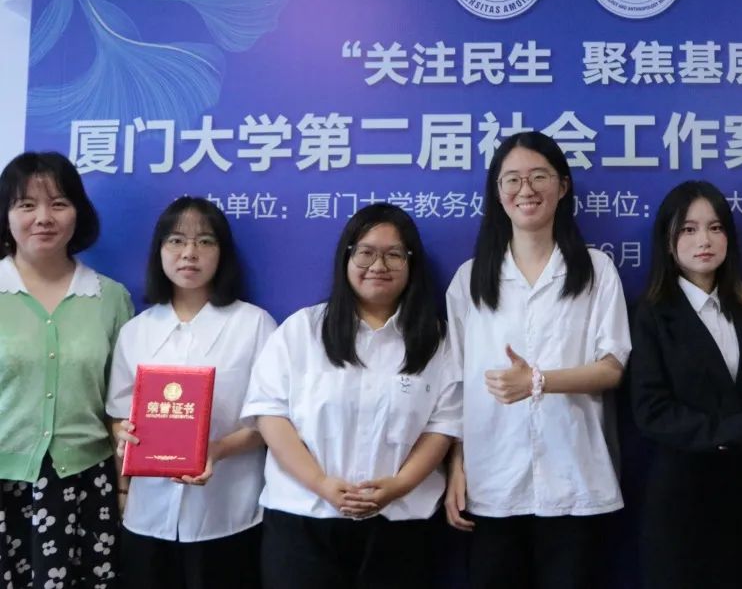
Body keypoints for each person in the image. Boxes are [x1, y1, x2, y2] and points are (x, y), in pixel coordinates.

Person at [443, 131, 632, 589]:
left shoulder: (595, 269)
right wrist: (455, 467)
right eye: (511, 179)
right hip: (493, 480)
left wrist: (538, 381)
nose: (525, 190)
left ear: (562, 186)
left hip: (574, 477)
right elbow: (455, 388)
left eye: (538, 177)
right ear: (497, 192)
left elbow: (612, 368)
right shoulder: (470, 279)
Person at [242, 203, 460, 589]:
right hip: (303, 517)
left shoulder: (437, 340)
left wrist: (398, 486)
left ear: (412, 263)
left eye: (394, 254)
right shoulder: (302, 330)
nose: (379, 265)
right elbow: (270, 414)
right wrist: (320, 482)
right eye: (366, 252)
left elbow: (441, 427)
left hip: (401, 522)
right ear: (346, 257)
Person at [629, 180, 742, 589]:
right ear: (668, 242)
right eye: (688, 229)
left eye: (715, 227)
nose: (704, 240)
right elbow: (652, 413)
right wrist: (741, 427)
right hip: (680, 501)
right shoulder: (651, 314)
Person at [107, 197, 276, 589]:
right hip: (147, 513)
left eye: (205, 241)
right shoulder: (136, 331)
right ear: (159, 251)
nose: (189, 253)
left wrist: (216, 450)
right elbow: (118, 415)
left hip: (228, 511)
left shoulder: (254, 326)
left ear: (222, 253)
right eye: (176, 240)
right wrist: (122, 438)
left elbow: (271, 422)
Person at [0, 152, 133, 588]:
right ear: (6, 215)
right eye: (26, 205)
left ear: (79, 212)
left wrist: (124, 485)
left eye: (58, 203)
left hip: (85, 485)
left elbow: (122, 407)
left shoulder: (111, 298)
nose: (43, 218)